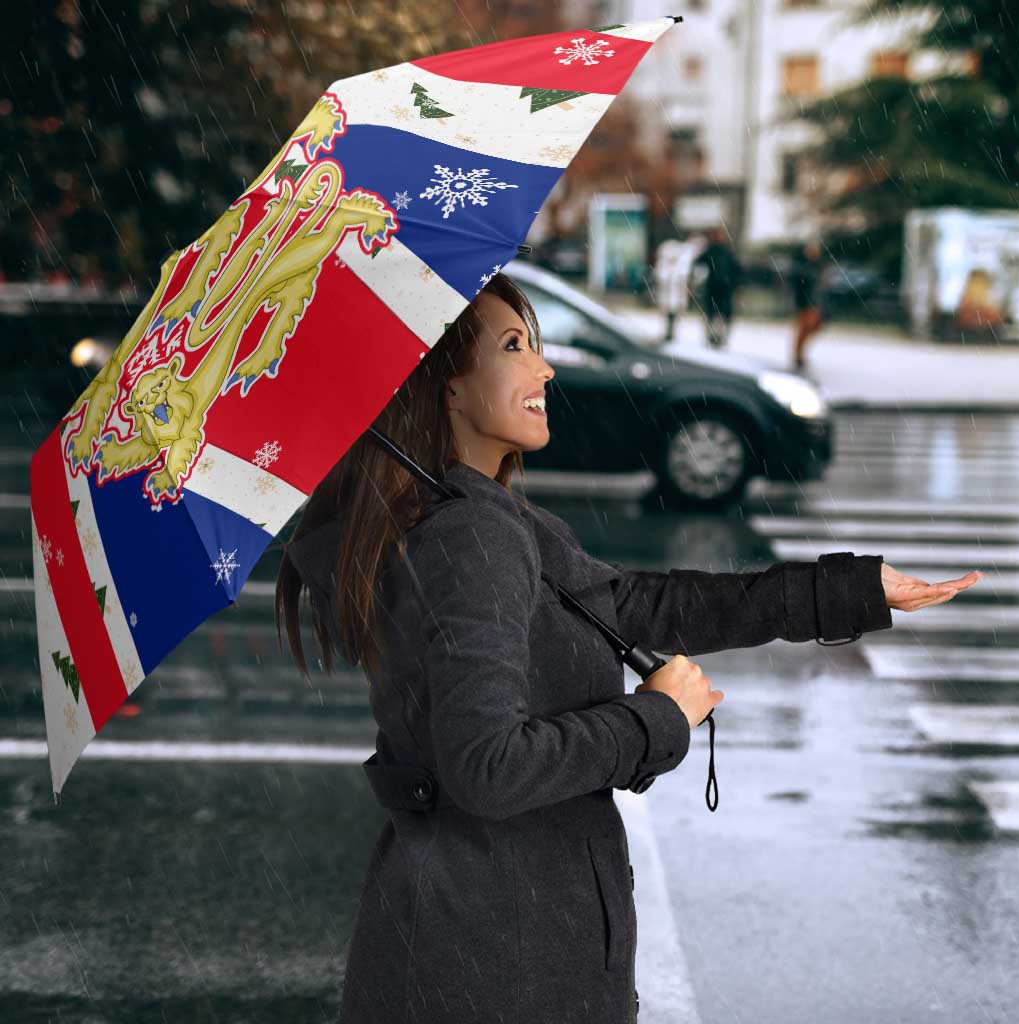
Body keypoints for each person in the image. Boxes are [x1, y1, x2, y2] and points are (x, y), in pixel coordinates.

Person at [275, 271, 979, 1024]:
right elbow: (487, 767)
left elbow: (640, 605)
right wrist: (655, 719)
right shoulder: (469, 536)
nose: (544, 368)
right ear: (445, 386)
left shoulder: (475, 517)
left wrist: (849, 591)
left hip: (477, 942)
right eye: (514, 346)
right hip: (498, 962)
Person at [692, 226, 742, 349]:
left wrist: (735, 284)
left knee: (720, 315)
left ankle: (719, 337)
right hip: (715, 288)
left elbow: (736, 270)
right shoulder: (712, 251)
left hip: (723, 288)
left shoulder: (725, 252)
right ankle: (713, 337)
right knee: (713, 314)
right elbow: (698, 264)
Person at [790, 239, 826, 371]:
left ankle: (800, 354)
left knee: (812, 328)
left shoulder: (817, 266)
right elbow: (799, 286)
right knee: (804, 329)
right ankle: (798, 355)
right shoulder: (802, 267)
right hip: (805, 303)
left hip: (814, 303)